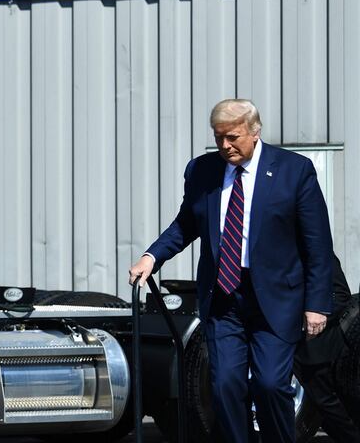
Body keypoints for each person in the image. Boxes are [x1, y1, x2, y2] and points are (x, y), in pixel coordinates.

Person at [129, 98, 334, 443]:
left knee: (270, 384)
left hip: (275, 299)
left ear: (255, 132)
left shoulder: (294, 170)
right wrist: (152, 257)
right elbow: (186, 223)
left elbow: (317, 244)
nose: (225, 145)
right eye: (218, 137)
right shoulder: (202, 170)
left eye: (233, 137)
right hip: (224, 297)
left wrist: (317, 304)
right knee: (224, 385)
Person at [294, 254, 359, 442]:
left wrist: (307, 317)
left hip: (313, 339)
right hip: (277, 337)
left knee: (327, 404)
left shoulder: (315, 248)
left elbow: (340, 295)